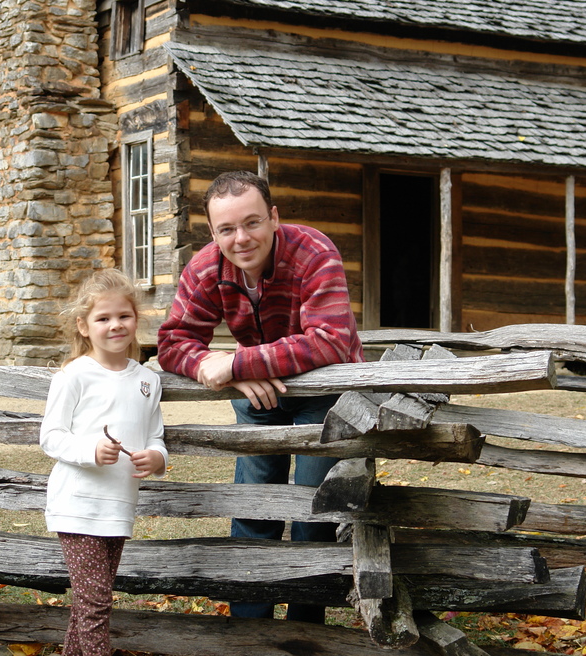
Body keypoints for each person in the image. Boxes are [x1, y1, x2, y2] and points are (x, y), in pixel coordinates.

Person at [157, 170, 363, 624]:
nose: (241, 238)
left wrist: (236, 364)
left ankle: (306, 629)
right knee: (253, 502)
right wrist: (226, 375)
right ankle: (248, 627)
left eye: (251, 222)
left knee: (314, 509)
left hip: (323, 394)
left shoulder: (313, 251)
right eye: (226, 228)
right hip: (257, 396)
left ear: (273, 216)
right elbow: (173, 342)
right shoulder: (206, 268)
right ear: (212, 232)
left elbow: (329, 341)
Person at [40, 268, 167, 656]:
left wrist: (157, 458)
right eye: (103, 318)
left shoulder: (147, 380)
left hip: (118, 507)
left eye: (124, 316)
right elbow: (51, 436)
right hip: (78, 505)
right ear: (83, 325)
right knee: (96, 605)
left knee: (87, 605)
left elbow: (155, 436)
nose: (116, 325)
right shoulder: (74, 377)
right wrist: (91, 450)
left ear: (136, 320)